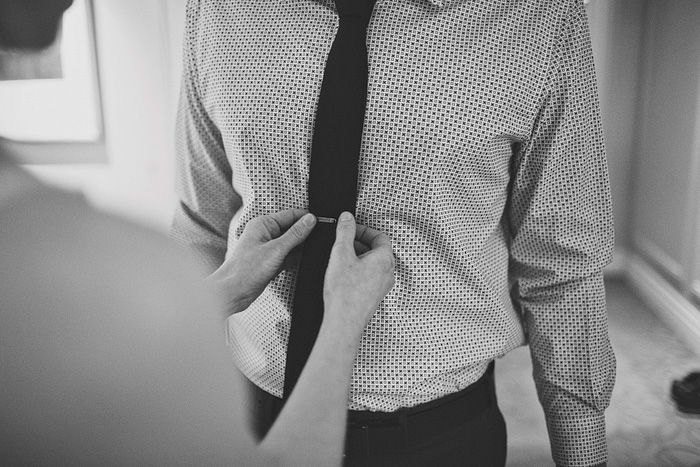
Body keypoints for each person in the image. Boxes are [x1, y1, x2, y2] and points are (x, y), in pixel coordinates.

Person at [172, 0, 615, 466]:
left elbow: (563, 263)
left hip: (440, 436)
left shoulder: (540, 17)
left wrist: (583, 453)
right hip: (247, 417)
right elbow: (200, 226)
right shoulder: (217, 9)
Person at [0, 2, 396, 466]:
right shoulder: (88, 273)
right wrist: (343, 321)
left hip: (444, 424)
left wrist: (222, 289)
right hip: (253, 401)